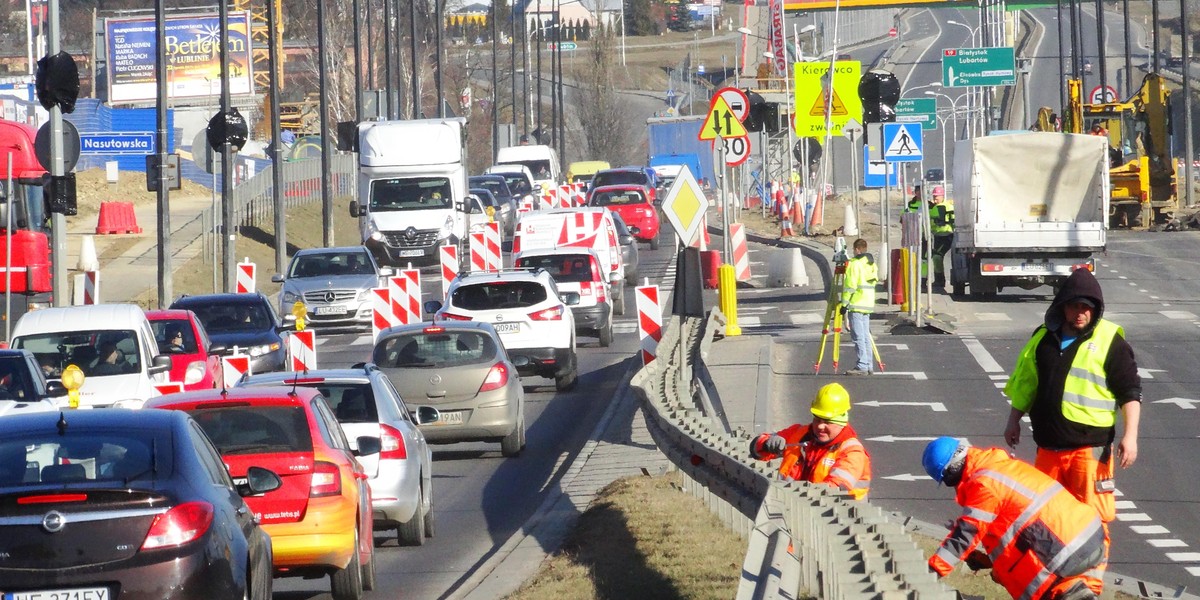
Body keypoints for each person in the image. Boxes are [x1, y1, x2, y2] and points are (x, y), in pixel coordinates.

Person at [1003, 268, 1141, 571]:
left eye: (1086, 307)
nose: (1080, 313)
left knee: (1092, 518)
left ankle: (1090, 583)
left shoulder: (1110, 342)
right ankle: (1052, 580)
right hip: (1048, 450)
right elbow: (1026, 383)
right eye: (1074, 305)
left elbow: (1130, 393)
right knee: (1044, 519)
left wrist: (1130, 436)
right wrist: (1014, 419)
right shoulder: (1043, 339)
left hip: (1088, 452)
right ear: (1062, 306)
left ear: (1095, 309)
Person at [922, 437, 1105, 599]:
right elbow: (1015, 529)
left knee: (1052, 589)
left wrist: (929, 573)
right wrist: (989, 561)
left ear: (951, 472)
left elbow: (964, 536)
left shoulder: (983, 485)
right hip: (1086, 537)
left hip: (1062, 553)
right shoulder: (998, 466)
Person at [748, 383, 871, 499]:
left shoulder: (852, 452)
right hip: (791, 507)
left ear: (841, 422)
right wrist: (766, 444)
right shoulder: (799, 433)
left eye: (827, 422)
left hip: (835, 517)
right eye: (817, 420)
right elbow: (756, 450)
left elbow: (835, 490)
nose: (820, 427)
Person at [841, 238, 877, 375]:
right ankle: (868, 365)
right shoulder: (871, 264)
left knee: (858, 337)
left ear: (856, 249)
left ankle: (862, 365)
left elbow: (850, 286)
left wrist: (844, 304)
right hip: (867, 303)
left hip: (856, 303)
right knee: (866, 336)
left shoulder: (854, 264)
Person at [928, 186, 954, 290]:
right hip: (939, 236)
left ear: (942, 196)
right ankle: (939, 280)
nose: (935, 199)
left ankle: (940, 280)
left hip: (945, 236)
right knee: (937, 256)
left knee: (937, 256)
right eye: (934, 196)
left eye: (936, 197)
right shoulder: (949, 206)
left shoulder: (938, 208)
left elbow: (929, 219)